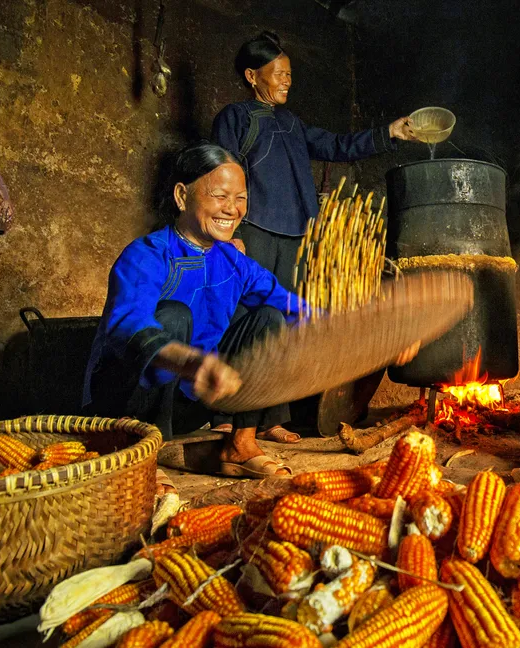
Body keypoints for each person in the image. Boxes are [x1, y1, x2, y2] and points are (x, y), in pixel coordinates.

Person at [82, 142, 305, 477]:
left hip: (188, 403)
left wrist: (368, 333)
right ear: (182, 196)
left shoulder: (234, 261)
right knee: (173, 314)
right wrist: (192, 362)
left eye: (241, 198)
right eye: (220, 195)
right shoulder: (148, 254)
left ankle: (240, 445)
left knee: (269, 319)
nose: (232, 209)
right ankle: (140, 459)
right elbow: (128, 325)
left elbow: (291, 306)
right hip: (122, 404)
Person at [211, 30, 419, 290]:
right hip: (254, 230)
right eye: (279, 74)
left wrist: (389, 132)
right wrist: (233, 234)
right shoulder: (235, 117)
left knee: (289, 311)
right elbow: (220, 179)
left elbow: (336, 146)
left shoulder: (292, 123)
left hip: (299, 236)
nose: (287, 81)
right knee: (248, 304)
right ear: (252, 76)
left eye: (289, 75)